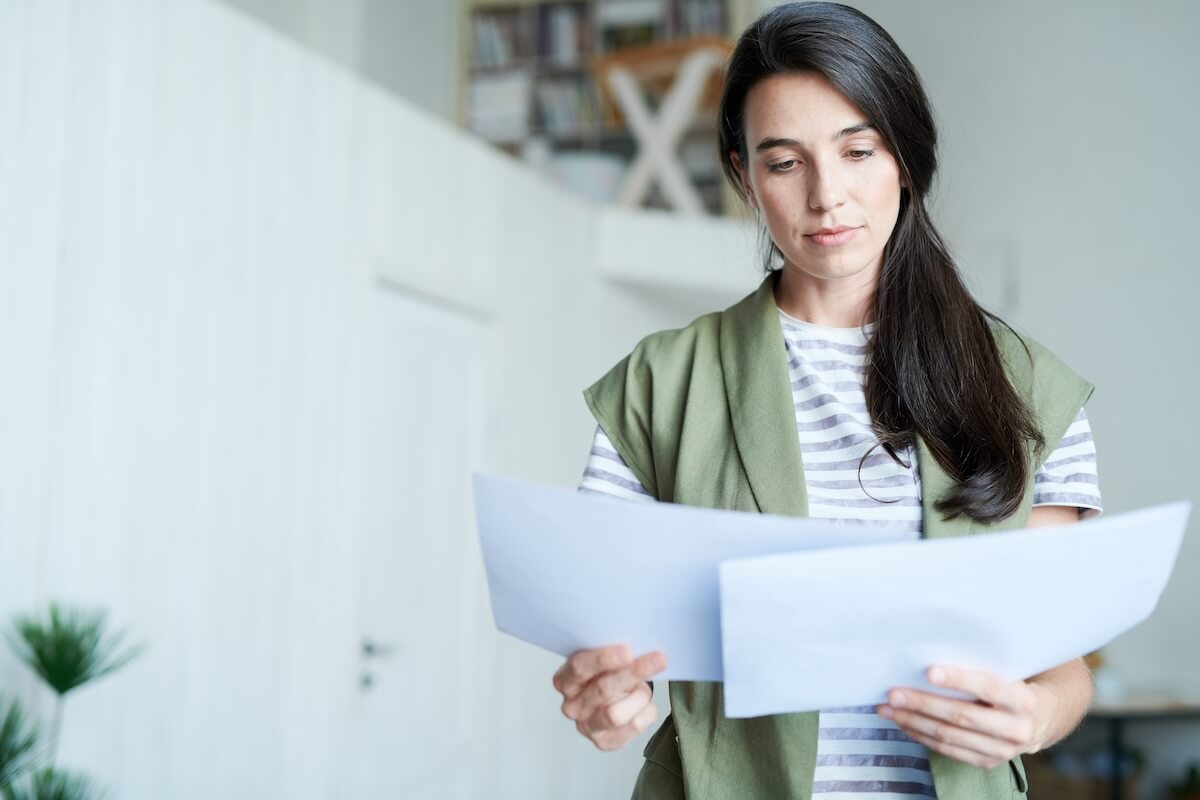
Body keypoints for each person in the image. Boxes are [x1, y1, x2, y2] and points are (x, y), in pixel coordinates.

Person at [552, 3, 1101, 799]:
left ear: (903, 158)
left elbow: (1062, 664)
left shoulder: (1027, 385)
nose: (827, 196)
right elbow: (602, 635)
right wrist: (603, 695)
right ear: (745, 175)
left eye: (858, 150)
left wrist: (1036, 717)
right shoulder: (661, 382)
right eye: (784, 162)